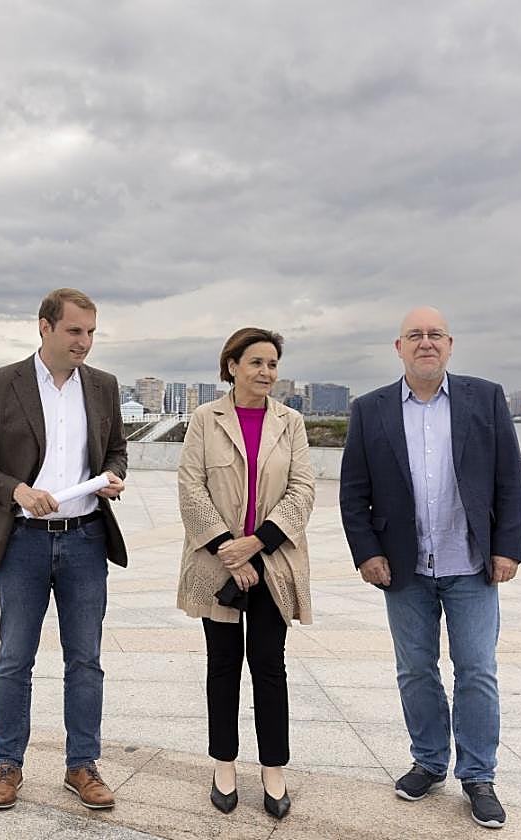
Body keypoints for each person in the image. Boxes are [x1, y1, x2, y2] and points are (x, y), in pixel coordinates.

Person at [339, 306, 521, 830]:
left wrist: (507, 547)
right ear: (398, 348)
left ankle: (478, 775)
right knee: (416, 670)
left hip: (470, 564)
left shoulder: (484, 398)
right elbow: (354, 492)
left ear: (450, 345)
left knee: (477, 672)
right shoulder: (370, 409)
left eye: (435, 335)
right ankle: (428, 761)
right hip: (403, 568)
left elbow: (510, 478)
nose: (426, 342)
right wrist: (367, 552)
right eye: (415, 335)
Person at [0, 288, 128, 812]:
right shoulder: (0, 383)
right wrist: (16, 491)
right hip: (25, 542)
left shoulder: (103, 387)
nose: (85, 342)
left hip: (85, 539)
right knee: (14, 659)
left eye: (91, 332)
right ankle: (7, 765)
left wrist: (113, 477)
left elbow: (117, 451)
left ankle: (82, 765)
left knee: (86, 661)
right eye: (75, 331)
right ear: (45, 328)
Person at [176, 327, 314, 820]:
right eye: (256, 362)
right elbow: (191, 488)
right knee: (223, 665)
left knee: (269, 666)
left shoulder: (291, 422)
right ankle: (224, 763)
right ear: (231, 365)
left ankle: (273, 769)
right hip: (218, 564)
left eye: (272, 364)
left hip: (273, 560)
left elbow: (303, 490)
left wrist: (258, 544)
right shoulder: (204, 420)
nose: (266, 373)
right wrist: (228, 550)